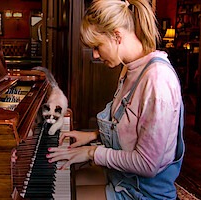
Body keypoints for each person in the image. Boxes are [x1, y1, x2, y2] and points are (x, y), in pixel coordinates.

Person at [47, 0, 185, 199]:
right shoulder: (129, 69)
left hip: (142, 193)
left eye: (97, 46)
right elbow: (129, 127)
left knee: (64, 195)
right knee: (68, 180)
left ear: (117, 36)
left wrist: (91, 153)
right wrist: (93, 136)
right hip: (123, 179)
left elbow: (148, 165)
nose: (95, 55)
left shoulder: (157, 80)